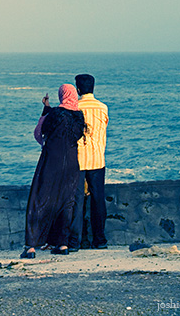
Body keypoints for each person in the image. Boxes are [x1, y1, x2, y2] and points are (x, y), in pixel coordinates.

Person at [21, 84, 85, 258]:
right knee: (66, 202)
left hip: (51, 161)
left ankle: (31, 246)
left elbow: (39, 133)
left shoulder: (55, 114)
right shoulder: (79, 116)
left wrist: (45, 111)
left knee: (39, 198)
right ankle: (62, 244)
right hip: (72, 163)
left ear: (61, 95)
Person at [69, 73, 109, 251]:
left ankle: (78, 241)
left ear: (77, 89)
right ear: (93, 87)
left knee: (77, 201)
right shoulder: (103, 108)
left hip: (77, 161)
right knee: (98, 200)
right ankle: (100, 240)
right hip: (98, 160)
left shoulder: (74, 108)